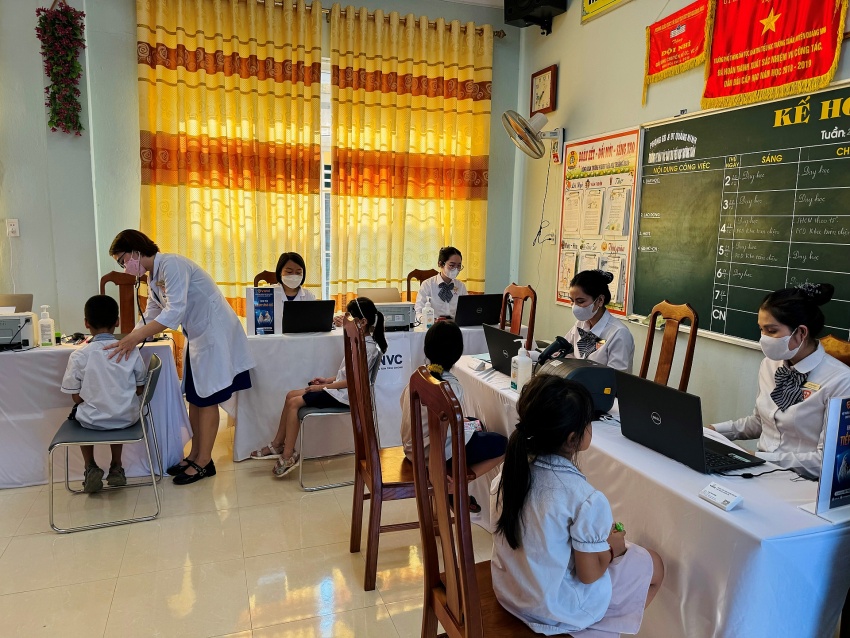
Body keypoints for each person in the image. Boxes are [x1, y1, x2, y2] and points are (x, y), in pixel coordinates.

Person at [491, 374, 664, 636]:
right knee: (654, 565)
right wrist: (612, 549)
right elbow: (589, 575)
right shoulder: (585, 499)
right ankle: (591, 630)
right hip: (551, 609)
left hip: (510, 592)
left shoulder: (510, 473)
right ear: (573, 438)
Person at [106, 229, 255, 485]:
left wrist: (135, 338)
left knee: (207, 399)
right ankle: (195, 454)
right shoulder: (154, 277)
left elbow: (174, 312)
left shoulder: (172, 265)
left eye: (123, 260)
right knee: (195, 399)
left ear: (136, 251)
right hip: (198, 338)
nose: (124, 267)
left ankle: (204, 462)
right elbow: (152, 314)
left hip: (214, 336)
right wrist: (130, 338)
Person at [709, 283, 850, 478]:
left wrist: (756, 457)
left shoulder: (841, 381)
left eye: (771, 331)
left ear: (801, 333)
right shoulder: (770, 365)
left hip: (800, 481)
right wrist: (712, 431)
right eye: (761, 329)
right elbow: (761, 422)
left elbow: (825, 461)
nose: (763, 338)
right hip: (759, 470)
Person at [249, 297, 387, 477]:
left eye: (349, 318)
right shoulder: (358, 342)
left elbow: (354, 382)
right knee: (290, 395)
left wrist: (323, 388)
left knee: (294, 403)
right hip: (340, 390)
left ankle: (288, 455)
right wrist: (327, 381)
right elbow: (346, 375)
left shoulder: (367, 348)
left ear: (362, 322)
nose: (344, 322)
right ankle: (277, 444)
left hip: (348, 396)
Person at [400, 321, 507, 510]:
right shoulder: (450, 388)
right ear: (457, 354)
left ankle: (452, 489)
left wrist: (460, 422)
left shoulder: (419, 376)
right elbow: (442, 429)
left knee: (475, 422)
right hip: (434, 454)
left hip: (413, 448)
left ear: (426, 349)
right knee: (504, 445)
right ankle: (456, 485)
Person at [61, 295, 147, 493]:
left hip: (92, 421)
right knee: (117, 407)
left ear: (86, 323)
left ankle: (90, 467)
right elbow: (140, 389)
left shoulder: (79, 355)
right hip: (127, 419)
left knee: (79, 412)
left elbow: (75, 397)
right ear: (117, 322)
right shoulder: (131, 351)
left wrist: (96, 396)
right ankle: (116, 466)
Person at [565, 269, 634, 372]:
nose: (575, 307)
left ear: (600, 300)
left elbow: (617, 376)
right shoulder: (580, 324)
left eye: (580, 301)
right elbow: (565, 350)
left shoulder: (619, 333)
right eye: (572, 301)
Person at [414, 246, 468, 320]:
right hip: (433, 325)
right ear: (441, 264)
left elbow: (466, 310)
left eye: (458, 266)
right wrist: (428, 320)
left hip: (454, 325)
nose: (456, 269)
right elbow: (418, 312)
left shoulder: (460, 286)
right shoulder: (427, 285)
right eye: (452, 265)